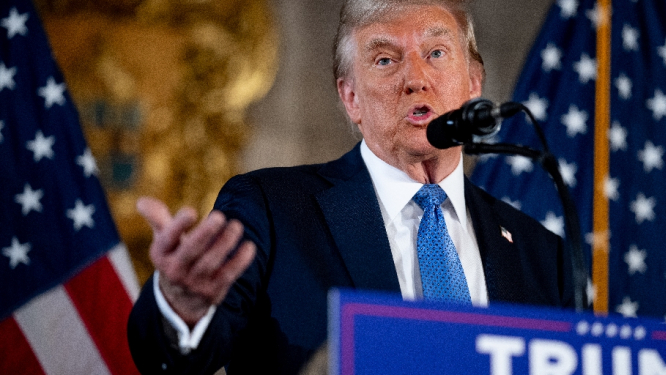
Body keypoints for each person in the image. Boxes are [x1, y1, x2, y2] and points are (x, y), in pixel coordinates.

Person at [127, 0, 574, 373]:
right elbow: (179, 361)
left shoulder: (541, 255)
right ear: (351, 97)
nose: (416, 78)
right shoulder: (270, 210)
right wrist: (180, 309)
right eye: (385, 59)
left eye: (436, 53)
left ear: (474, 84)